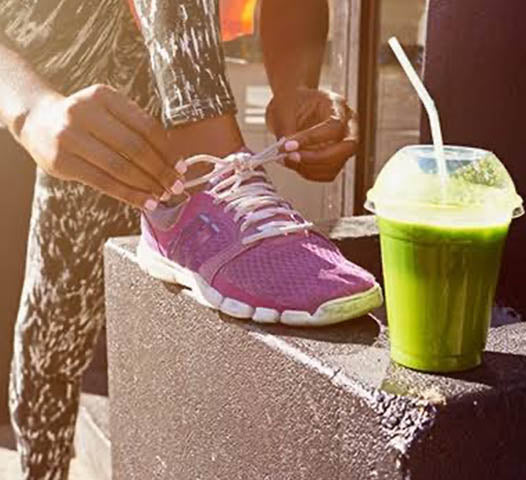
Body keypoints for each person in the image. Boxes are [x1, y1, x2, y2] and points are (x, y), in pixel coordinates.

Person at [0, 1, 380, 478]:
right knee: (53, 338)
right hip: (56, 69)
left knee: (53, 334)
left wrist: (294, 86)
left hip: (148, 68)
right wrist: (29, 108)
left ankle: (211, 166)